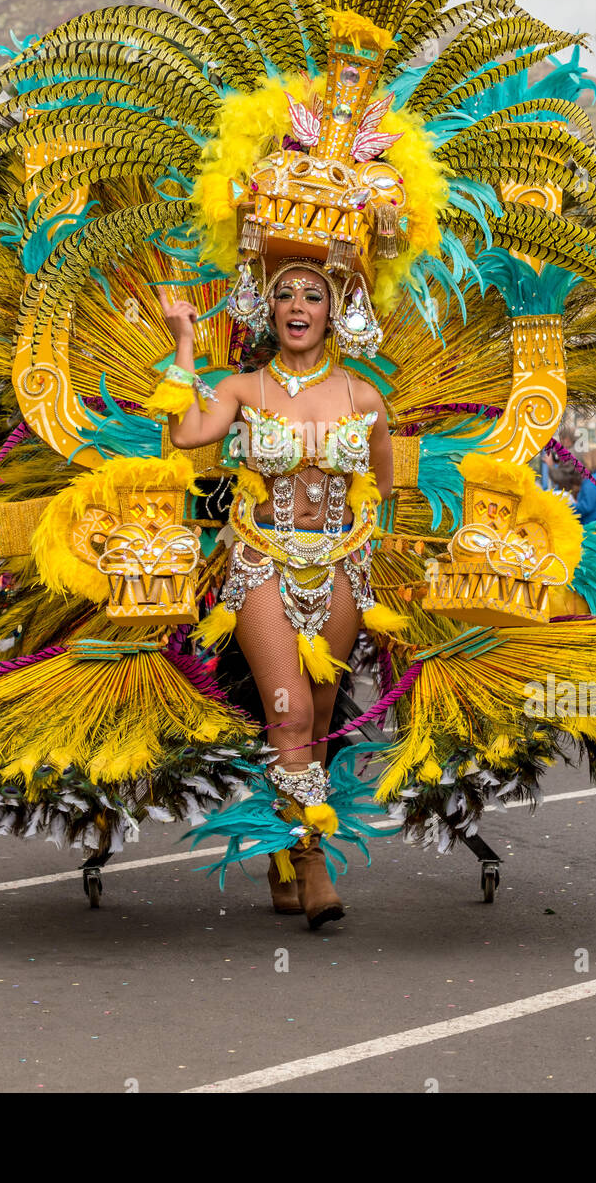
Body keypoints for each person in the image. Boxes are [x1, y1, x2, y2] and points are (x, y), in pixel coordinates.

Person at [159, 266, 392, 926]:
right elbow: (184, 434)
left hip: (343, 570)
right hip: (262, 565)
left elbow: (382, 484)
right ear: (266, 310)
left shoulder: (363, 397)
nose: (297, 305)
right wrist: (184, 342)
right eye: (284, 294)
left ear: (335, 311)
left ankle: (281, 855)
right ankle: (313, 859)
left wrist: (359, 546)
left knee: (316, 722)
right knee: (287, 713)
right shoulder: (243, 388)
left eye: (313, 295)